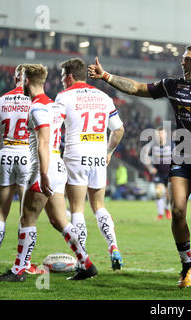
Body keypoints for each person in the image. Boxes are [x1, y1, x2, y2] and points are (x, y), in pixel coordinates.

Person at [88, 43, 191, 290]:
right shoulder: (174, 85)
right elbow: (137, 88)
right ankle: (187, 266)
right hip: (182, 158)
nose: (182, 63)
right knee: (177, 210)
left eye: (187, 59)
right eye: (183, 59)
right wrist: (107, 76)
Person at [0, 64, 97, 282]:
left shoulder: (37, 107)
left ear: (26, 81)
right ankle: (86, 263)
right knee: (59, 220)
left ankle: (18, 271)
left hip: (44, 167)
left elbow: (43, 142)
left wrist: (43, 174)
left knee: (27, 217)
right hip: (57, 164)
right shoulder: (54, 105)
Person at [55, 58, 125, 271]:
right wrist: (108, 151)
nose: (61, 82)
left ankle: (81, 258)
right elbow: (119, 130)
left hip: (76, 155)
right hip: (97, 155)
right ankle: (113, 246)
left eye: (61, 78)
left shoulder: (64, 96)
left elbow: (55, 127)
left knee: (77, 208)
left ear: (68, 77)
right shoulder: (103, 96)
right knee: (99, 206)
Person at [0, 65, 32, 274]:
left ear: (15, 79)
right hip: (27, 156)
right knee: (27, 214)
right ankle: (23, 264)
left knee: (0, 212)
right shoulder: (36, 102)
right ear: (30, 80)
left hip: (7, 153)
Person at [140, 126, 172, 220]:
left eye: (162, 133)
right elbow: (145, 157)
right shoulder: (152, 145)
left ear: (166, 134)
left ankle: (167, 209)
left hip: (170, 173)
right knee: (158, 192)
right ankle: (160, 214)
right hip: (158, 173)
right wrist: (150, 167)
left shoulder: (172, 144)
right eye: (159, 134)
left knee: (168, 195)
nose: (161, 136)